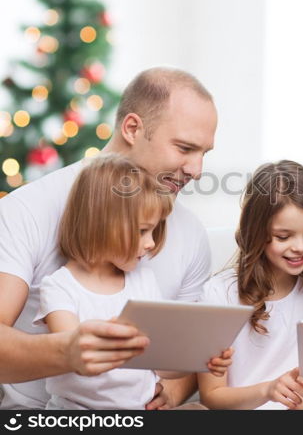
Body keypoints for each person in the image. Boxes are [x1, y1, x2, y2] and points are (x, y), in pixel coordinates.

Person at [0, 67, 218, 410]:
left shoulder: (190, 234)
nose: (196, 170)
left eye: (204, 153)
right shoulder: (27, 210)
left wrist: (171, 394)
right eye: (184, 148)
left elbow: (182, 351)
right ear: (132, 128)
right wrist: (68, 351)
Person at [32, 153, 231, 409]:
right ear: (101, 224)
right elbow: (77, 359)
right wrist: (125, 344)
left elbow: (162, 367)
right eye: (141, 231)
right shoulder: (59, 287)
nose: (150, 243)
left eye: (153, 230)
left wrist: (200, 360)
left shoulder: (144, 281)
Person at [197, 160, 303, 410]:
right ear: (256, 233)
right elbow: (212, 395)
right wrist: (268, 390)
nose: (300, 247)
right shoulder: (219, 294)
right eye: (283, 237)